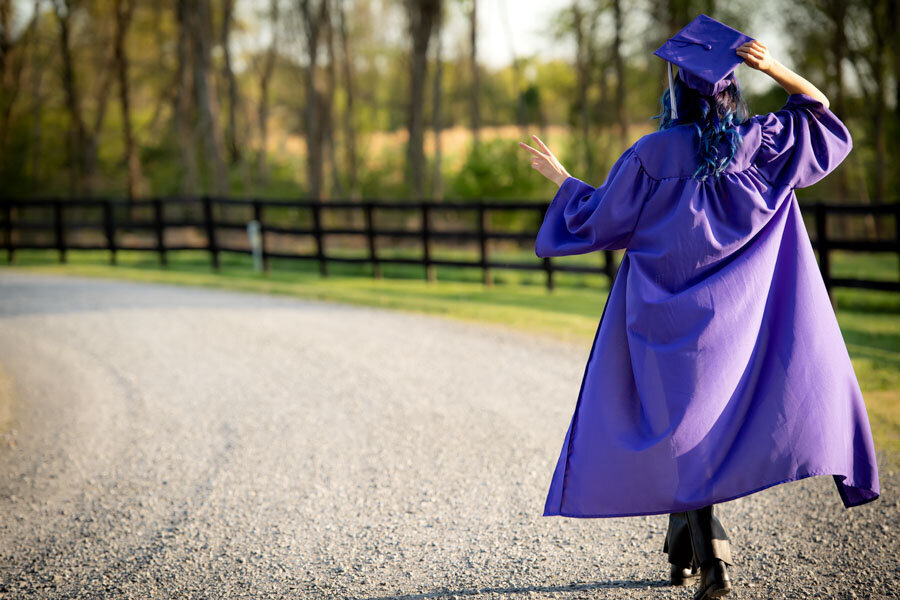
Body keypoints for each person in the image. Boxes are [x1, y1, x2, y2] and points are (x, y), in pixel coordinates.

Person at [518, 14, 880, 600]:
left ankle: (710, 558)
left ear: (675, 90)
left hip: (661, 323)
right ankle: (687, 548)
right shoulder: (756, 145)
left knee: (676, 431)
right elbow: (820, 112)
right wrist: (774, 68)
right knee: (699, 432)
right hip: (734, 324)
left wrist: (563, 181)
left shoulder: (651, 156)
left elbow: (596, 221)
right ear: (730, 90)